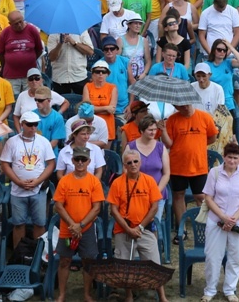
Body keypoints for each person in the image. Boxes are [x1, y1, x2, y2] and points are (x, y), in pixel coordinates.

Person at [107, 147, 168, 302]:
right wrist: (128, 229)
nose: (133, 164)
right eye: (129, 162)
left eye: (135, 161)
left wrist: (139, 227)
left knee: (155, 264)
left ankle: (162, 296)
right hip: (123, 230)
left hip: (144, 230)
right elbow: (113, 210)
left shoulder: (149, 181)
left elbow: (154, 207)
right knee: (125, 266)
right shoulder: (117, 183)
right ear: (124, 165)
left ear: (140, 163)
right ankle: (129, 296)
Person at [201, 143, 239, 302]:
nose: (232, 161)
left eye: (235, 158)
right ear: (224, 157)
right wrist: (223, 217)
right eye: (229, 157)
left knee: (235, 257)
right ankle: (210, 290)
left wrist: (233, 220)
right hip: (216, 220)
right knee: (212, 257)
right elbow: (208, 198)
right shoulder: (214, 172)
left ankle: (230, 290)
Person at [52, 146, 104, 302]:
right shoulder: (64, 181)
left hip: (86, 228)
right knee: (64, 261)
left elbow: (97, 208)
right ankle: (62, 294)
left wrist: (80, 225)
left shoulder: (94, 181)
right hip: (67, 228)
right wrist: (72, 225)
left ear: (89, 161)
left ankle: (87, 294)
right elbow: (58, 205)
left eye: (83, 159)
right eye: (77, 159)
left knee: (88, 261)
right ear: (72, 161)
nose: (80, 162)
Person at [162, 103, 218, 244]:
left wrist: (198, 145)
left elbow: (212, 137)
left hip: (198, 165)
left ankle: (205, 228)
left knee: (201, 197)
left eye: (186, 105)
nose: (184, 108)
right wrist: (162, 130)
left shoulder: (204, 117)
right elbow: (168, 143)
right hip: (178, 165)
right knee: (178, 195)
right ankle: (182, 231)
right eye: (180, 107)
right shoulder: (172, 120)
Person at [0, 111, 56, 248]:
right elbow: (4, 164)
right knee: (18, 224)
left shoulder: (43, 142)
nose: (33, 127)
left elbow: (51, 164)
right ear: (22, 124)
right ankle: (19, 254)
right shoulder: (12, 142)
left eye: (35, 124)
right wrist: (17, 181)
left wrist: (39, 181)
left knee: (40, 223)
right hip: (18, 190)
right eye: (30, 124)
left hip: (38, 190)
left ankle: (38, 256)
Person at [0, 11, 43, 96]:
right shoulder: (5, 33)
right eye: (16, 24)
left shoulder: (32, 30)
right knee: (12, 100)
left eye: (20, 22)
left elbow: (39, 49)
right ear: (10, 24)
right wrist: (9, 61)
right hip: (11, 75)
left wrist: (29, 58)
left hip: (30, 75)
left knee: (32, 98)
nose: (19, 25)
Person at [47, 28, 94, 95]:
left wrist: (74, 43)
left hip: (79, 76)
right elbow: (51, 58)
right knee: (61, 105)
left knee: (82, 104)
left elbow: (90, 51)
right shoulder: (53, 34)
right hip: (60, 78)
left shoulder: (82, 31)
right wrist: (60, 44)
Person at [83, 60, 118, 143]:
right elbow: (86, 110)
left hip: (107, 124)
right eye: (97, 71)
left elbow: (112, 110)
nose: (100, 74)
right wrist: (106, 108)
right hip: (90, 124)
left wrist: (94, 109)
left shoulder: (112, 88)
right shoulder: (87, 86)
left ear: (107, 74)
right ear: (93, 73)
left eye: (103, 71)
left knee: (105, 153)